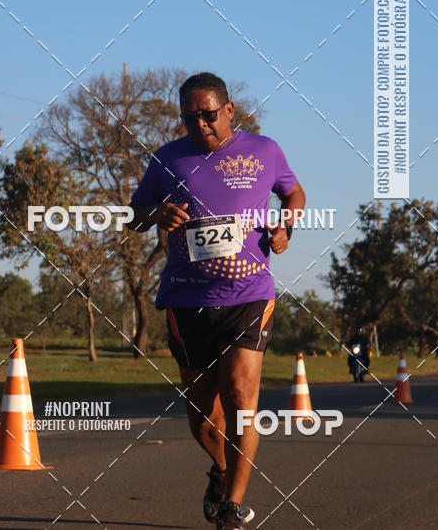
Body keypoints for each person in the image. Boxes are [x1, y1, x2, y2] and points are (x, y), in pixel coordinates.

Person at [130, 72, 306, 529]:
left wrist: (286, 225)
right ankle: (221, 468)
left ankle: (233, 506)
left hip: (249, 294)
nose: (200, 126)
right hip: (187, 299)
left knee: (239, 395)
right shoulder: (168, 159)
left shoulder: (264, 151)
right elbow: (133, 215)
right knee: (204, 421)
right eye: (190, 119)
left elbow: (294, 191)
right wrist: (156, 213)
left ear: (229, 110)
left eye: (208, 115)